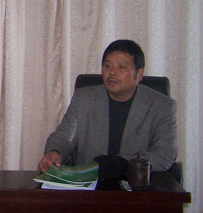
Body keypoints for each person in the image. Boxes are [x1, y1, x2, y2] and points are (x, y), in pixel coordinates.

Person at [37, 39, 177, 176]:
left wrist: (125, 163)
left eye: (121, 67)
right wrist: (55, 152)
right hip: (91, 183)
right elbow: (64, 136)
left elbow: (164, 154)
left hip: (137, 184)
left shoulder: (161, 106)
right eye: (108, 66)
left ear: (139, 74)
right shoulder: (83, 99)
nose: (112, 72)